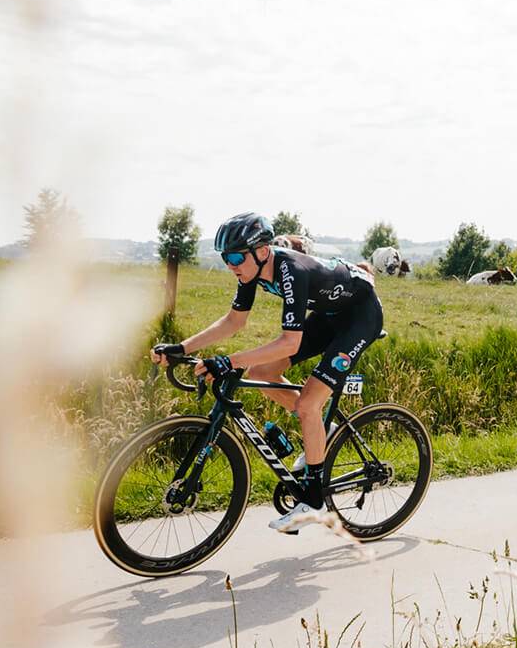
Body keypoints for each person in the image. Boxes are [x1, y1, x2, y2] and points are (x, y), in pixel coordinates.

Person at [151, 212, 385, 532]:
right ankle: (325, 432)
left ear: (262, 252)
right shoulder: (251, 274)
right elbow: (234, 322)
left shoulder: (291, 270)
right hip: (330, 315)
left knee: (307, 405)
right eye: (225, 258)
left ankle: (314, 500)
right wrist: (183, 347)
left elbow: (289, 343)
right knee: (263, 374)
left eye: (236, 257)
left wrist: (229, 361)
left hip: (360, 317)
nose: (231, 264)